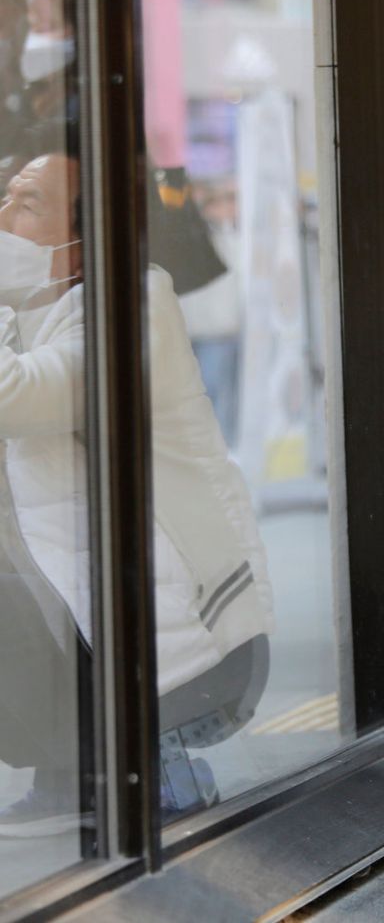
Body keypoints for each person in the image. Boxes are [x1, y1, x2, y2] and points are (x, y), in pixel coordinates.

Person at [0, 149, 274, 836]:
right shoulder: (28, 309)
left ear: (85, 236)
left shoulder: (130, 307)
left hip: (194, 663)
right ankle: (73, 770)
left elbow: (18, 396)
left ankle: (159, 779)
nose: (2, 216)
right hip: (107, 632)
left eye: (26, 202)